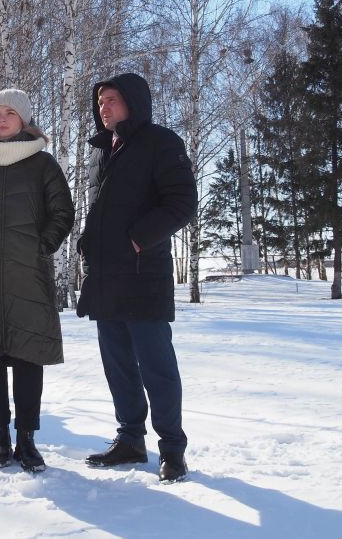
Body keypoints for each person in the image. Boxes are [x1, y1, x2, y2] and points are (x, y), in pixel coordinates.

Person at [76, 72, 197, 484]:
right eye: (100, 102)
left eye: (111, 99)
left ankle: (172, 451)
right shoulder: (100, 151)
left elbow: (181, 204)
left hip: (144, 276)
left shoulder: (162, 143)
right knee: (119, 366)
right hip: (107, 278)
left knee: (157, 368)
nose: (103, 107)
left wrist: (137, 241)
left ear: (134, 101)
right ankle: (130, 440)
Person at [0, 89, 74, 472]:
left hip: (28, 274)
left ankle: (27, 439)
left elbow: (62, 211)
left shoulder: (42, 164)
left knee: (27, 356)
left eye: (10, 113)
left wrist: (43, 245)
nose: (1, 119)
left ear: (24, 119)